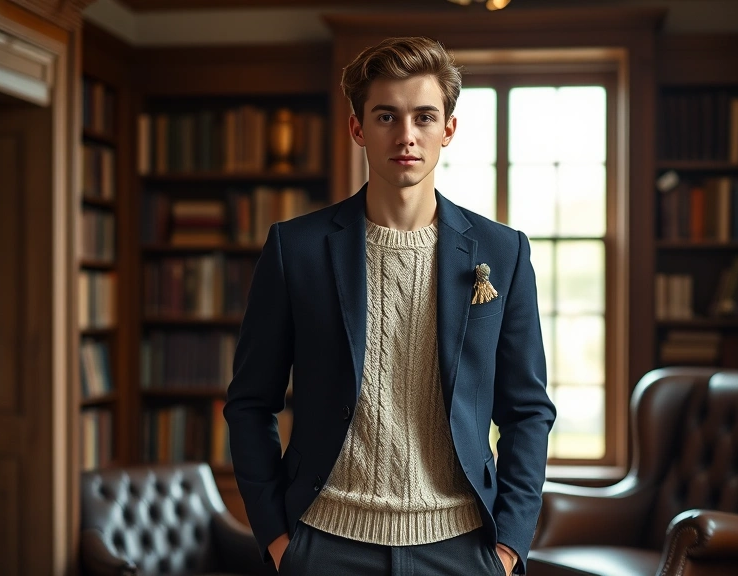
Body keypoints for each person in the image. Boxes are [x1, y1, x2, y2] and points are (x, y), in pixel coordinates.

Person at [223, 36, 556, 576]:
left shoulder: (503, 252)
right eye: (386, 116)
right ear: (358, 128)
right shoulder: (295, 249)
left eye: (424, 117)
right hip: (324, 545)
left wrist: (509, 548)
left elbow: (527, 411)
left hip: (463, 549)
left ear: (448, 129)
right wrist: (279, 541)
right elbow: (250, 403)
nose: (406, 135)